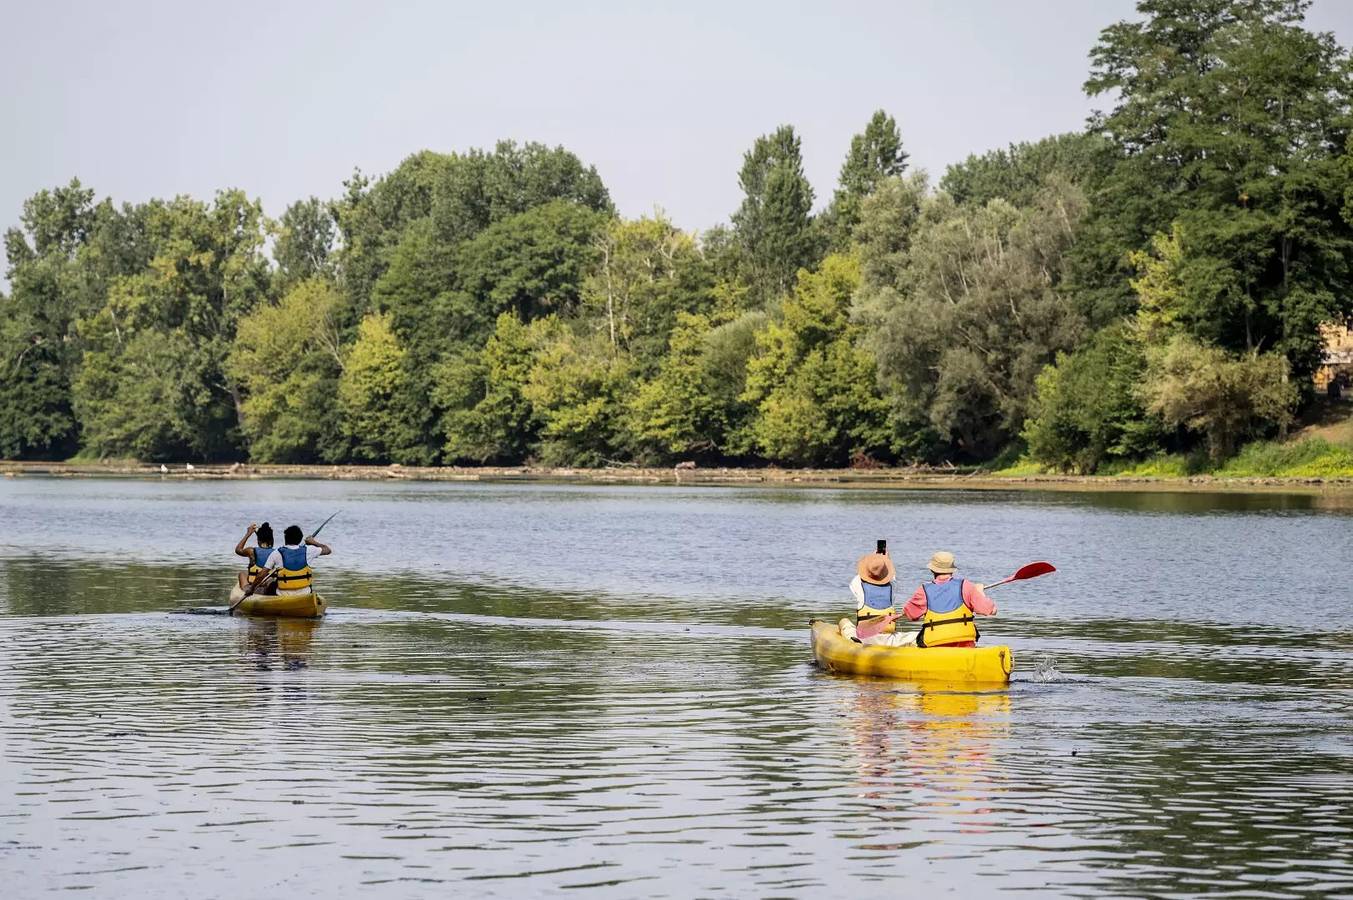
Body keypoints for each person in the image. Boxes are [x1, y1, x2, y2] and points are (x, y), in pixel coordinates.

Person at [902, 551, 996, 648]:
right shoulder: (966, 586)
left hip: (934, 646)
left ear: (932, 570)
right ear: (952, 569)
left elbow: (910, 615)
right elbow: (992, 611)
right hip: (965, 647)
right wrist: (979, 592)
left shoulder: (923, 590)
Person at [839, 544, 918, 647]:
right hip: (889, 639)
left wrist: (872, 562)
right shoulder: (892, 587)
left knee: (844, 622)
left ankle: (852, 640)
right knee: (916, 635)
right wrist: (885, 561)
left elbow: (859, 578)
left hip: (864, 638)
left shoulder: (858, 585)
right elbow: (892, 578)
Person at [247, 524, 331, 597]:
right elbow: (327, 550)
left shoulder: (277, 553)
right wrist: (313, 542)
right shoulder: (309, 550)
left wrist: (251, 588)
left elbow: (262, 574)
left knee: (271, 583)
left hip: (282, 594)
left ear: (285, 538)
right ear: (300, 538)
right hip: (305, 592)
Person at [234, 522, 276, 593]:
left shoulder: (251, 551)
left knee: (242, 574)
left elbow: (238, 550)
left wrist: (248, 534)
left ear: (258, 540)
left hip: (253, 583)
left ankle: (246, 589)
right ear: (272, 540)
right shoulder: (277, 552)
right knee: (271, 579)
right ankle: (268, 586)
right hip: (267, 580)